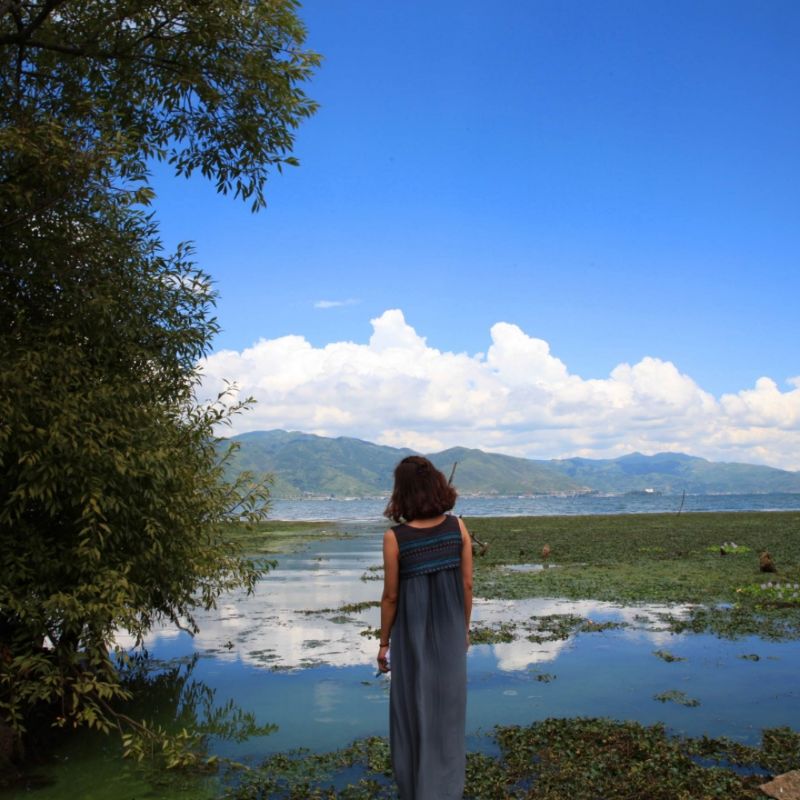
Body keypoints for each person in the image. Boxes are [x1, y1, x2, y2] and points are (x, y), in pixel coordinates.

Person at [377, 455, 473, 800]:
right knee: (448, 719)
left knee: (412, 712)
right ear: (436, 485)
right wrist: (463, 630)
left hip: (411, 641)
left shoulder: (395, 538)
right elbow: (467, 585)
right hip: (451, 637)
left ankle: (416, 790)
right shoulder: (458, 528)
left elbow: (390, 597)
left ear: (401, 492)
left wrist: (383, 644)